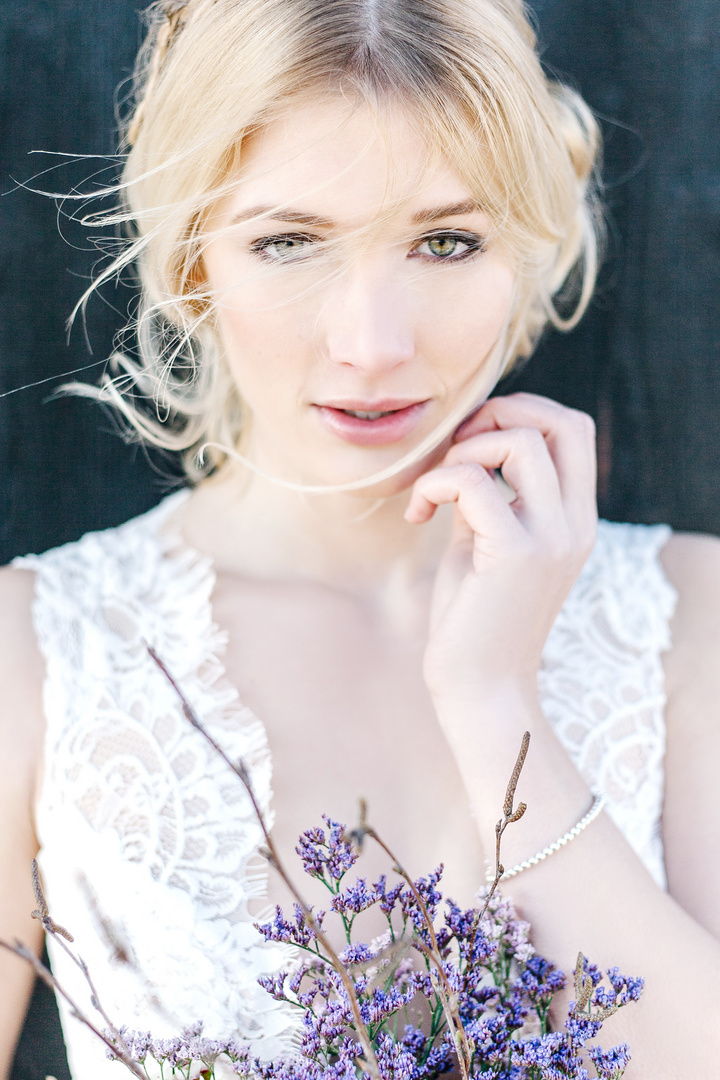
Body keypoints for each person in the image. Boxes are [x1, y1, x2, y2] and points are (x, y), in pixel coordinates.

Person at [1, 0, 719, 1076]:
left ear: (529, 249)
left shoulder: (691, 622)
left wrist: (495, 699)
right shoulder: (36, 656)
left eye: (446, 240)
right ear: (196, 256)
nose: (373, 344)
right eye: (289, 242)